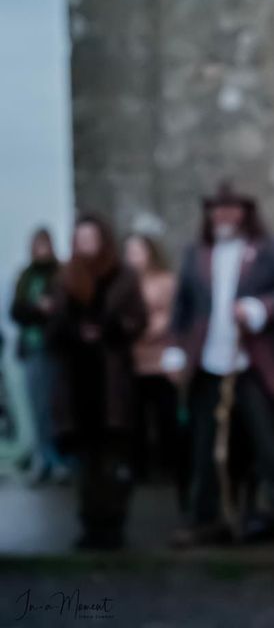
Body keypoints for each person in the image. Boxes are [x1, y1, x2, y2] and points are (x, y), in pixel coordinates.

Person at [165, 182, 274, 546]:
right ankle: (204, 517)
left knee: (267, 442)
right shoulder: (196, 254)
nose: (223, 215)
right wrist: (176, 351)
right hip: (210, 363)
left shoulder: (268, 250)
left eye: (230, 208)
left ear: (244, 213)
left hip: (252, 363)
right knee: (206, 445)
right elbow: (182, 307)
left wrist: (258, 309)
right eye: (216, 209)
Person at [48, 215, 147, 550]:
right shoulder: (65, 278)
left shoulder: (122, 277)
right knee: (87, 462)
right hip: (77, 380)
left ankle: (114, 523)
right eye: (81, 238)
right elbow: (54, 328)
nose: (87, 244)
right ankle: (91, 524)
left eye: (92, 237)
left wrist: (112, 329)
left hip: (111, 379)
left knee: (114, 457)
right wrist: (75, 332)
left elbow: (138, 319)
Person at [124, 233, 187, 508]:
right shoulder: (124, 284)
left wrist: (150, 329)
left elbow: (173, 315)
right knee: (135, 418)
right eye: (129, 251)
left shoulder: (166, 281)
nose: (134, 256)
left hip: (160, 358)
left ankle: (170, 465)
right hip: (133, 359)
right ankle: (140, 467)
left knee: (166, 416)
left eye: (138, 250)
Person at [10, 228, 69, 484]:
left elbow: (60, 310)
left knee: (54, 406)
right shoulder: (25, 276)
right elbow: (17, 311)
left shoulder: (60, 274)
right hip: (31, 348)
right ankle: (43, 457)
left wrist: (40, 310)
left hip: (54, 348)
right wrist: (37, 308)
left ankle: (57, 458)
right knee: (37, 405)